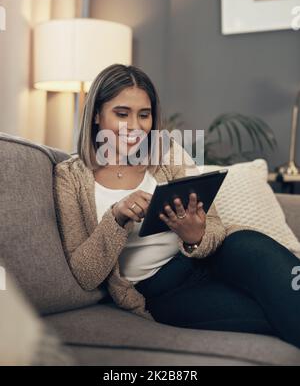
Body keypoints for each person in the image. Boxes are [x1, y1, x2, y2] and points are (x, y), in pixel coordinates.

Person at [54, 64, 300, 349]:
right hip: (161, 290)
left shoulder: (166, 152)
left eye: (144, 115)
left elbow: (215, 226)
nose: (135, 127)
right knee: (275, 310)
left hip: (216, 257)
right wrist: (117, 218)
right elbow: (84, 275)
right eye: (122, 114)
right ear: (96, 114)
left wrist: (194, 236)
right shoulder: (70, 176)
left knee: (261, 257)